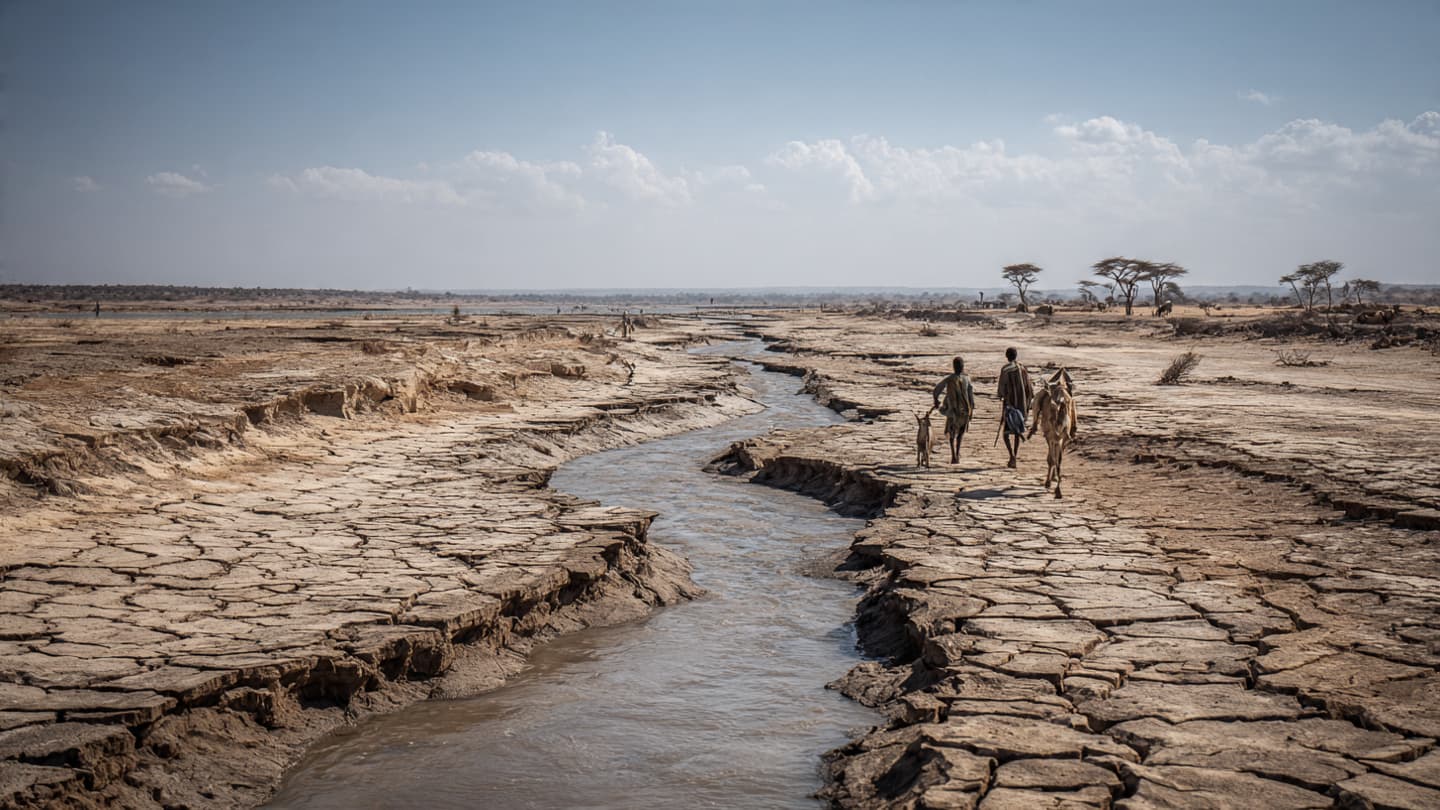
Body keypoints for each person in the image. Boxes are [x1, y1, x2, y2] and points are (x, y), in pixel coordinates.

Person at [931, 356, 976, 464]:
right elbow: (971, 395)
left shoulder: (949, 379)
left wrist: (936, 400)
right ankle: (957, 452)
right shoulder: (967, 378)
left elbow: (937, 389)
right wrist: (971, 408)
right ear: (962, 367)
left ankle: (953, 455)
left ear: (954, 367)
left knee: (952, 433)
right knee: (960, 433)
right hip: (964, 411)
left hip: (953, 411)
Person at [997, 347, 1033, 468]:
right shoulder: (1023, 368)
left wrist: (1002, 397)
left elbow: (1001, 390)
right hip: (1022, 406)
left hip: (1010, 405)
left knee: (1006, 433)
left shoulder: (1006, 369)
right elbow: (1030, 388)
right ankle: (1015, 456)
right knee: (1017, 432)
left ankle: (1012, 456)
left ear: (1007, 356)